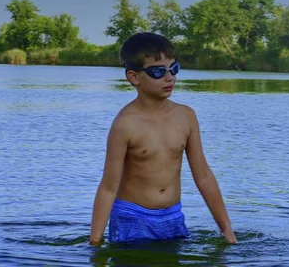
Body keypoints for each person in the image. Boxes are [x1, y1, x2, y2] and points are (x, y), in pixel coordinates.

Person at [89, 32, 237, 245]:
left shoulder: (186, 116)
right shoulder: (125, 124)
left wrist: (226, 229)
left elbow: (203, 176)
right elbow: (108, 187)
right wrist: (95, 241)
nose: (169, 78)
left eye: (173, 69)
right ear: (134, 77)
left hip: (173, 216)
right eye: (158, 71)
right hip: (133, 218)